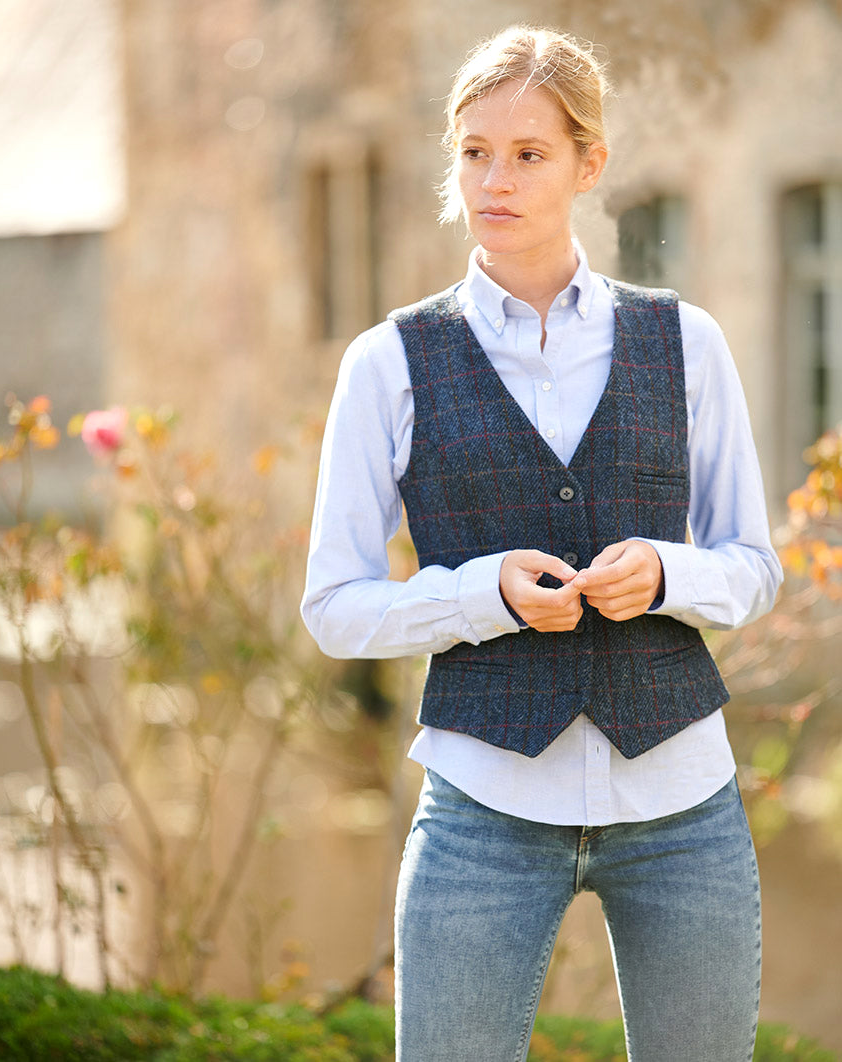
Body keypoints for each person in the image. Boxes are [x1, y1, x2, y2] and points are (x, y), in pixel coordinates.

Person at [301, 24, 783, 1062]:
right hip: (484, 808)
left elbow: (753, 566)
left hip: (681, 807)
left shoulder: (685, 340)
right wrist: (482, 595)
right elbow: (332, 605)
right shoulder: (389, 363)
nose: (494, 179)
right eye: (474, 151)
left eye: (528, 154)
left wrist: (667, 574)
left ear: (589, 166)